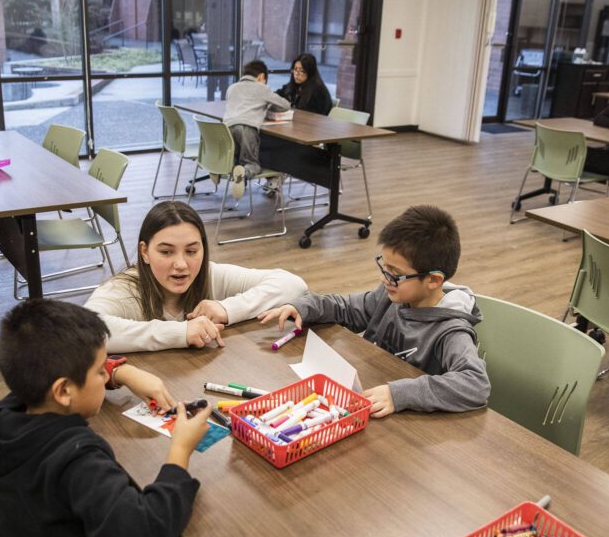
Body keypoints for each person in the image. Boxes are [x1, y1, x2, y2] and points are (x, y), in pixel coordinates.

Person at [0, 298, 212, 537]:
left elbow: (68, 380)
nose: (107, 375)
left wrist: (121, 372)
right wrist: (179, 451)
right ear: (64, 390)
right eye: (101, 371)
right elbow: (147, 535)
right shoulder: (76, 458)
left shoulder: (2, 417)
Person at [259, 205, 490, 419]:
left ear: (433, 280)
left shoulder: (451, 331)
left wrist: (399, 394)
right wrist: (303, 307)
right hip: (367, 403)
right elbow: (347, 309)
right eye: (384, 266)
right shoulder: (392, 295)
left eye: (394, 272)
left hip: (410, 427)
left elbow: (476, 384)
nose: (384, 278)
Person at [83, 201, 308, 352]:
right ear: (145, 252)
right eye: (166, 252)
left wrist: (228, 309)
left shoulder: (209, 274)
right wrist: (180, 332)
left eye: (191, 251)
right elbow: (85, 331)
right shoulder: (124, 288)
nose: (181, 265)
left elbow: (293, 285)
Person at [223, 59, 291, 195]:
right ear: (261, 76)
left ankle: (235, 171)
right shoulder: (261, 88)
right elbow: (285, 105)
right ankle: (244, 173)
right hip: (247, 129)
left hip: (227, 129)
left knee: (238, 159)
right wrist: (269, 104)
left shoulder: (232, 88)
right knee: (253, 164)